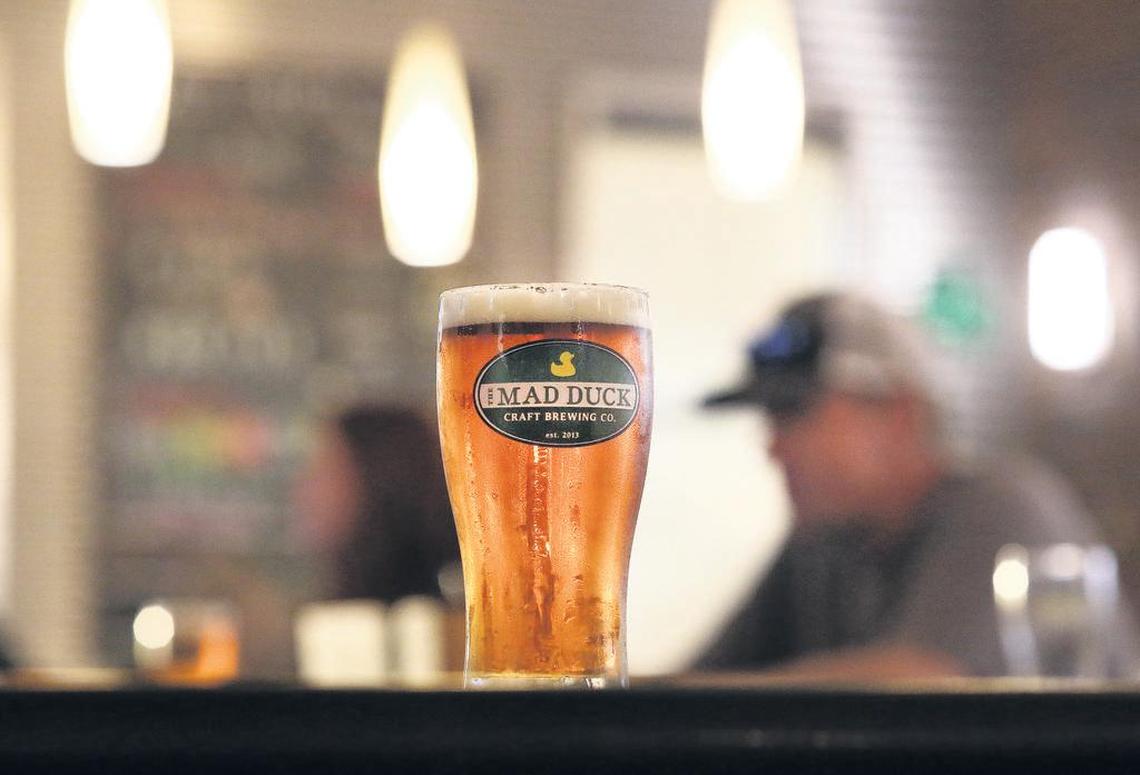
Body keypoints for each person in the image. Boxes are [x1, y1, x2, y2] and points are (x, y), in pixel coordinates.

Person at [696, 291, 1137, 679]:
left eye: (795, 413)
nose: (773, 447)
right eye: (770, 419)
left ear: (899, 414)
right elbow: (696, 682)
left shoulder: (1000, 506)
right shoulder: (822, 546)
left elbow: (920, 681)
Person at [296, 405, 461, 604]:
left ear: (379, 477)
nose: (305, 489)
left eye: (327, 469)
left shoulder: (444, 611)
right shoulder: (343, 606)